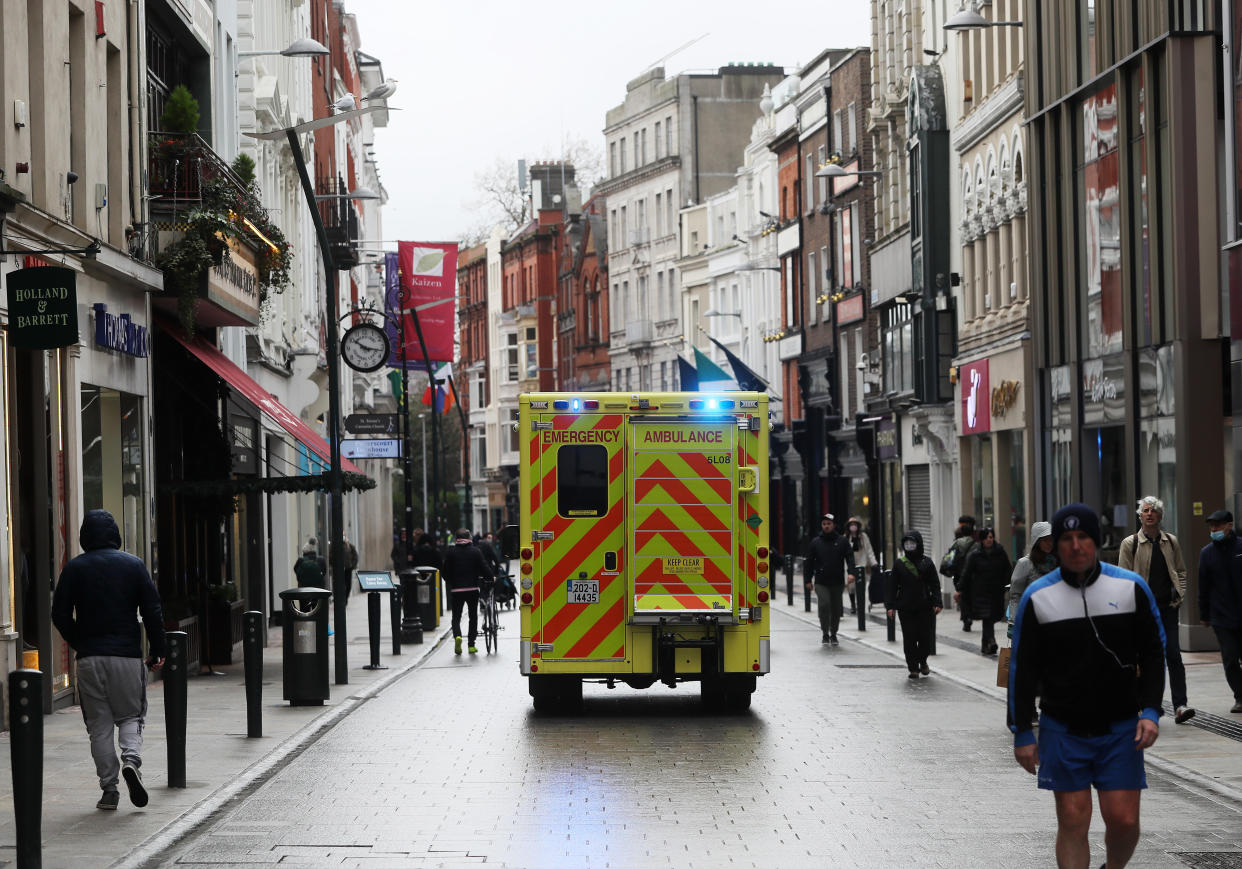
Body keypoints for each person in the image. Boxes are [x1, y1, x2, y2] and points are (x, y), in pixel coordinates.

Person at [1008, 503, 1165, 869]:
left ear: (1096, 542)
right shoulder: (1039, 596)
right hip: (1063, 729)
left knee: (1124, 821)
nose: (1075, 546)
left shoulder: (1130, 588)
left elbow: (1155, 653)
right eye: (1066, 538)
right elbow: (1022, 669)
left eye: (1083, 537)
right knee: (1073, 820)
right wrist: (1021, 732)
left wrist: (1152, 710)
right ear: (1056, 545)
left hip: (1122, 728)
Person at [51, 509, 166, 811]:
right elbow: (153, 610)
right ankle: (131, 762)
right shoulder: (133, 565)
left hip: (89, 659)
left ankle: (109, 790)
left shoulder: (75, 568)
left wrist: (80, 642)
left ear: (84, 536)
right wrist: (158, 649)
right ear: (116, 534)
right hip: (126, 656)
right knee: (130, 716)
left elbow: (59, 614)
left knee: (99, 727)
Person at [1119, 496, 1195, 724]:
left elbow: (1181, 570)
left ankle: (1180, 705)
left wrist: (1179, 595)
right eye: (1146, 510)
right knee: (1142, 659)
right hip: (1141, 613)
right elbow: (1123, 578)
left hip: (1167, 609)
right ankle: (1143, 705)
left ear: (1160, 516)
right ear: (1140, 515)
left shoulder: (1170, 542)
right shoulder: (1129, 543)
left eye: (1154, 511)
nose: (1150, 514)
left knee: (1173, 654)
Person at [1197, 508, 1242, 714]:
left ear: (1229, 526)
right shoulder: (1207, 553)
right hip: (1221, 617)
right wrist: (1204, 614)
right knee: (1230, 659)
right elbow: (1203, 586)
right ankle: (1240, 696)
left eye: (1217, 525)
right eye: (1211, 526)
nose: (1213, 529)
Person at [885, 530, 942, 678]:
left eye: (912, 543)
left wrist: (937, 602)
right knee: (909, 638)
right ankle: (913, 668)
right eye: (906, 543)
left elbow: (935, 584)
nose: (909, 546)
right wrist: (890, 606)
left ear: (919, 544)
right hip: (906, 607)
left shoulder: (927, 563)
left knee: (925, 638)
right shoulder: (899, 564)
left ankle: (922, 661)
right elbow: (892, 586)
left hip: (924, 607)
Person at [956, 526, 1012, 655]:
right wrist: (960, 589)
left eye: (991, 537)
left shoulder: (1000, 552)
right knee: (987, 617)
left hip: (996, 591)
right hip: (980, 592)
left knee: (991, 617)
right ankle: (991, 641)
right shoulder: (975, 555)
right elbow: (967, 573)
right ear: (982, 539)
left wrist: (1008, 585)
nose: (989, 540)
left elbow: (1007, 569)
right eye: (986, 537)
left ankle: (984, 644)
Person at [803, 513, 855, 645]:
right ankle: (825, 632)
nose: (826, 526)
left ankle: (834, 633)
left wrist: (851, 573)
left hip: (837, 581)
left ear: (833, 525)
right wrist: (807, 580)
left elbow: (850, 558)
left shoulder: (842, 541)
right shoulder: (816, 542)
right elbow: (808, 562)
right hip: (821, 581)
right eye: (824, 524)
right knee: (824, 605)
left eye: (829, 524)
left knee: (836, 608)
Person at [441, 528, 494, 655]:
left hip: (457, 590)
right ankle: (471, 644)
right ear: (469, 538)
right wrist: (491, 578)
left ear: (456, 539)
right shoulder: (476, 551)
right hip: (472, 589)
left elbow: (445, 572)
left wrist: (451, 581)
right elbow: (484, 567)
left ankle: (458, 636)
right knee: (473, 616)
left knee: (456, 617)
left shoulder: (451, 552)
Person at [1007, 521, 1058, 636]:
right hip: (1032, 619)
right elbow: (1015, 595)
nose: (1049, 543)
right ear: (1037, 542)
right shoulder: (1025, 563)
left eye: (1051, 539)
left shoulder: (1058, 562)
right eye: (1045, 540)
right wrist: (1013, 623)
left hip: (1055, 618)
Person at [941, 515, 979, 631]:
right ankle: (969, 615)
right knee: (969, 594)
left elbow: (950, 556)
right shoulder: (976, 540)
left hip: (959, 573)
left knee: (962, 594)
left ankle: (966, 617)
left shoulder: (957, 541)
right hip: (972, 574)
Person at [844, 516, 878, 614]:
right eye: (851, 525)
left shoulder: (863, 537)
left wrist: (873, 563)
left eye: (855, 524)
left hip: (862, 564)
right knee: (851, 586)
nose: (853, 526)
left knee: (861, 585)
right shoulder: (845, 537)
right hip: (850, 565)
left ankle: (860, 604)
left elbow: (869, 550)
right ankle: (853, 605)